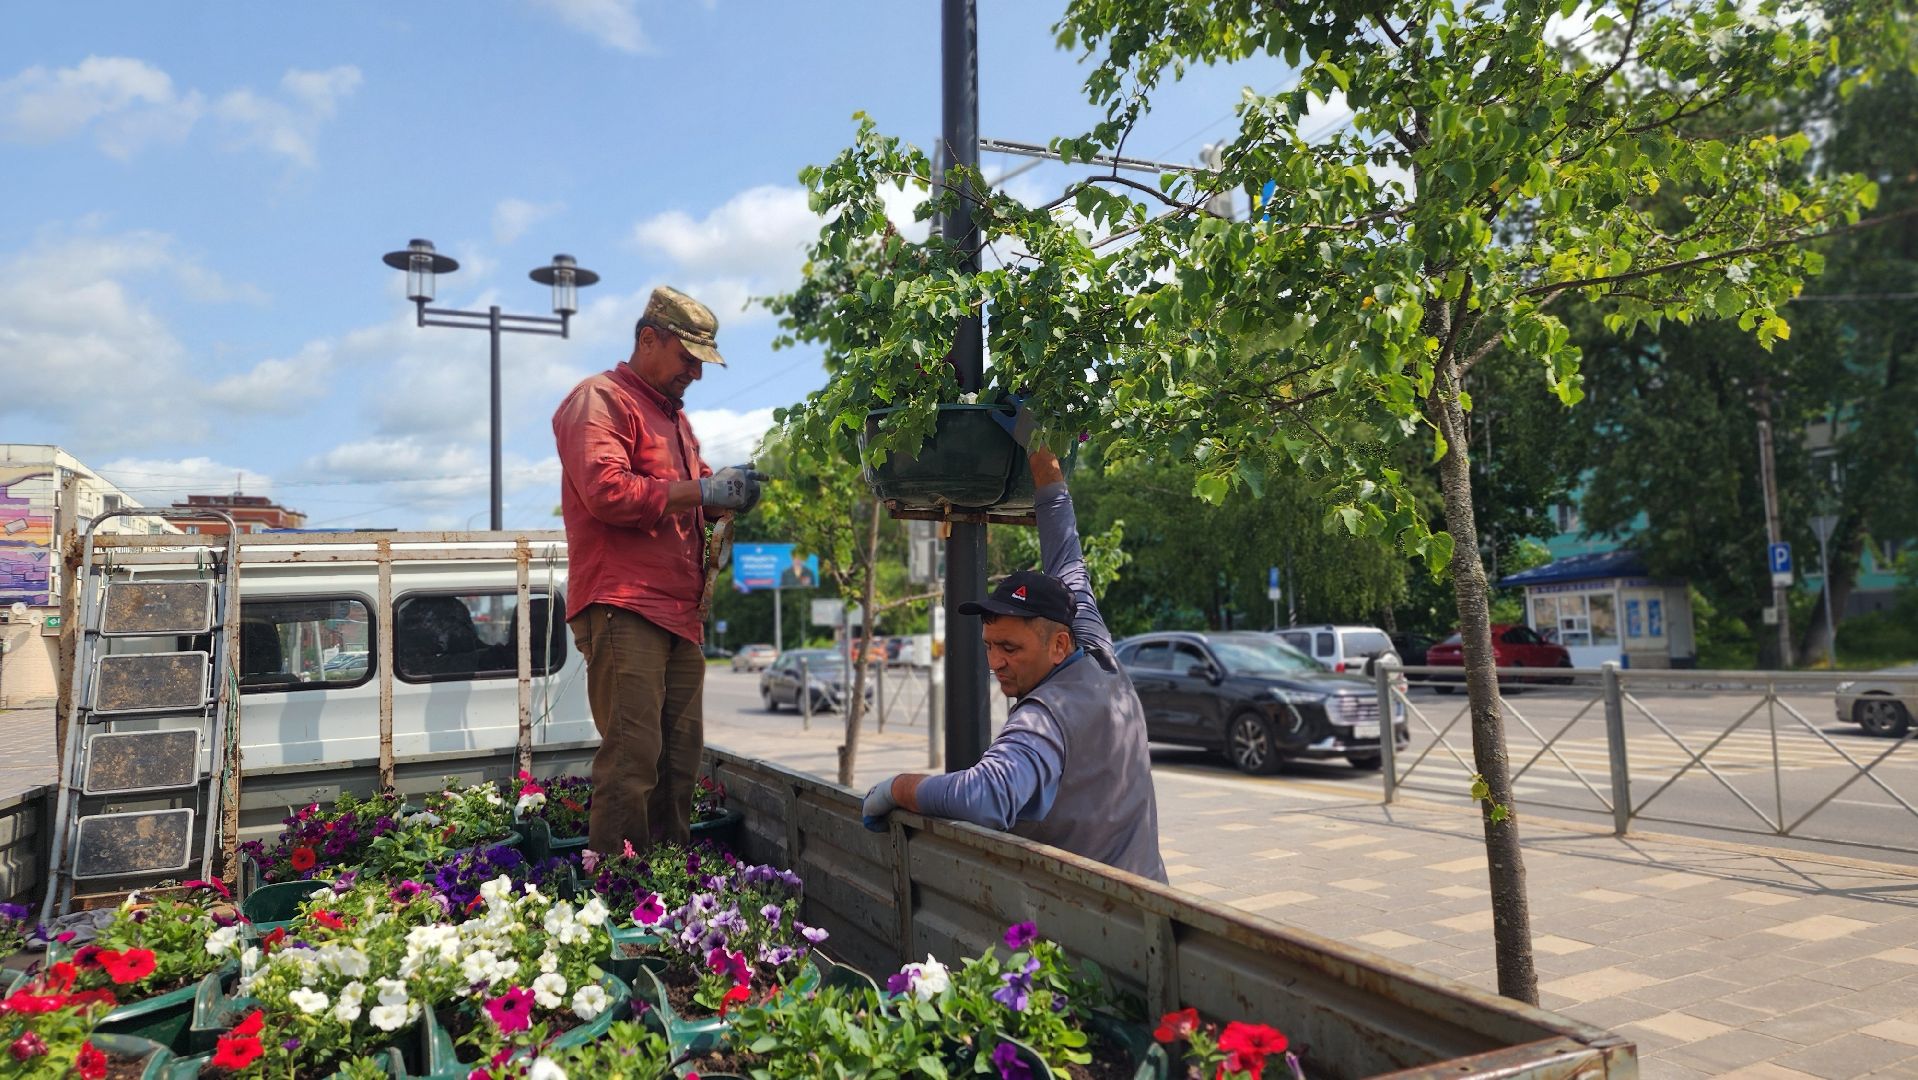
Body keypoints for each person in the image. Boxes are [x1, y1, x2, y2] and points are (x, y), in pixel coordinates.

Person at [859, 414, 1167, 883]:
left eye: (1009, 647)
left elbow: (986, 797)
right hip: (1151, 895)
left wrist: (897, 788)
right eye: (988, 645)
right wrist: (1039, 451)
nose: (995, 662)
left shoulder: (1044, 718)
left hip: (1088, 918)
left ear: (1058, 644)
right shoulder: (1095, 648)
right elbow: (1066, 553)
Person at [552, 285, 765, 855]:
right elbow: (607, 492)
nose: (695, 372)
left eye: (701, 362)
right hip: (625, 604)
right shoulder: (599, 399)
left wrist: (726, 493)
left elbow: (694, 497)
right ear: (648, 339)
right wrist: (704, 490)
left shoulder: (674, 421)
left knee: (678, 761)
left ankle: (667, 882)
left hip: (677, 613)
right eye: (687, 357)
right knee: (633, 759)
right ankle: (620, 886)